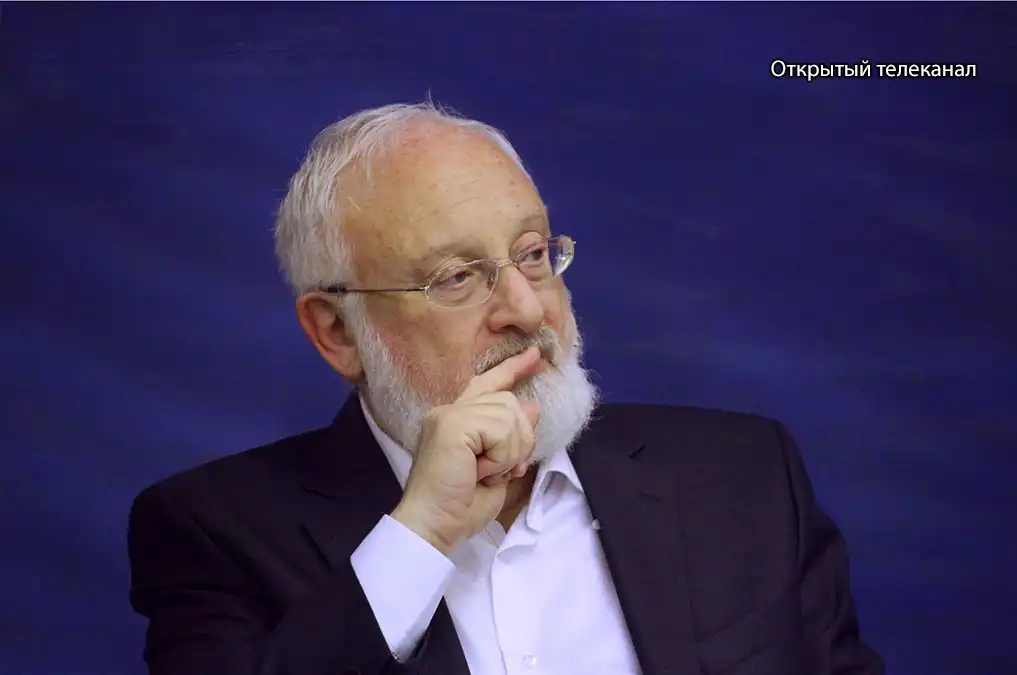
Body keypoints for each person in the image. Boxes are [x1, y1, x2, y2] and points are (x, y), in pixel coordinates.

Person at [127, 101, 884, 675]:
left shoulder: (745, 474)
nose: (527, 308)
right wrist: (421, 532)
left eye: (532, 254)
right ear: (337, 332)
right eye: (456, 277)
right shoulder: (212, 532)